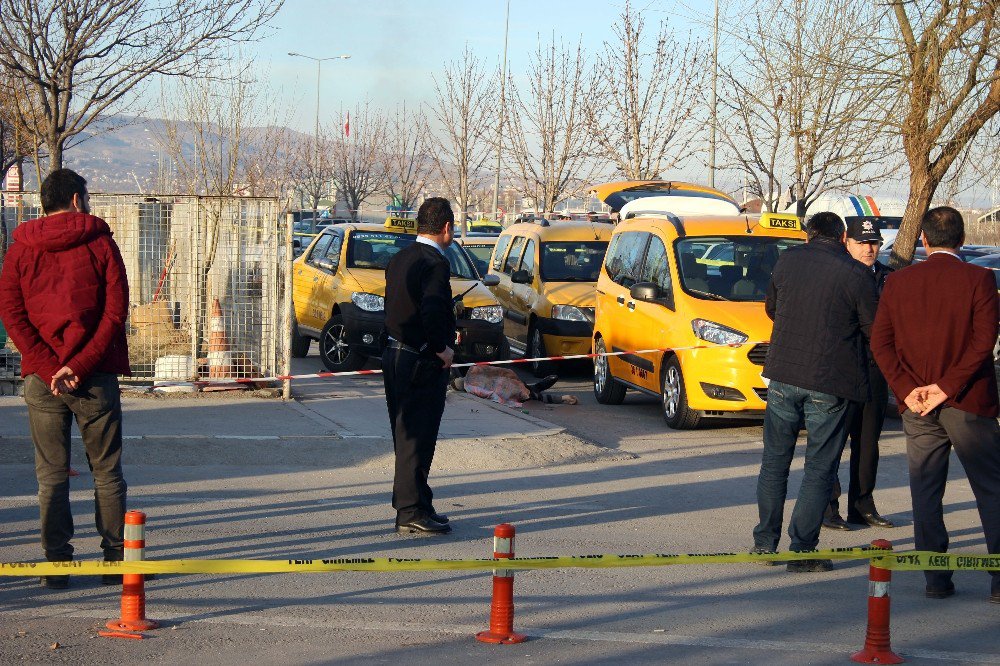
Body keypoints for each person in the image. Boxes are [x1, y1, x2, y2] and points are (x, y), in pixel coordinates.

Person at [0, 169, 130, 588]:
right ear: (77, 199)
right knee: (106, 472)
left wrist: (44, 363)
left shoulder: (20, 250)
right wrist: (81, 364)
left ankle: (57, 565)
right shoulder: (102, 245)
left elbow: (12, 313)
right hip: (95, 377)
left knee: (51, 474)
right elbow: (115, 313)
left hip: (43, 380)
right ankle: (114, 560)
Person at [871, 206, 1000, 603]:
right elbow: (983, 343)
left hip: (918, 405)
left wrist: (907, 389)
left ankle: (936, 579)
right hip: (968, 401)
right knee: (991, 489)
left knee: (926, 490)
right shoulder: (980, 279)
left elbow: (881, 342)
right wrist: (945, 388)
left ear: (924, 240)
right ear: (961, 240)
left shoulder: (898, 282)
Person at [751, 211, 878, 572]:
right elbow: (874, 329)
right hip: (831, 381)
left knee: (775, 462)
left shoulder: (787, 261)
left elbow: (772, 308)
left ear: (809, 235)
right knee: (819, 468)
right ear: (841, 238)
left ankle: (764, 543)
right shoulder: (856, 274)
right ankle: (802, 548)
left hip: (783, 374)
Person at [382, 197, 456, 535]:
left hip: (395, 355)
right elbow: (429, 311)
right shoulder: (435, 263)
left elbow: (396, 311)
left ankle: (418, 504)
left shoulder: (400, 258)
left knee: (406, 437)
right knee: (418, 437)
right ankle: (410, 512)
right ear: (446, 228)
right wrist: (439, 349)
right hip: (419, 359)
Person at [824, 218, 895, 530]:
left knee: (868, 444)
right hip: (841, 370)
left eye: (874, 242)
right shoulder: (835, 276)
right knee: (832, 444)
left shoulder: (889, 279)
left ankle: (862, 506)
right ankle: (827, 507)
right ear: (846, 242)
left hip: (874, 371)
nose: (870, 248)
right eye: (863, 242)